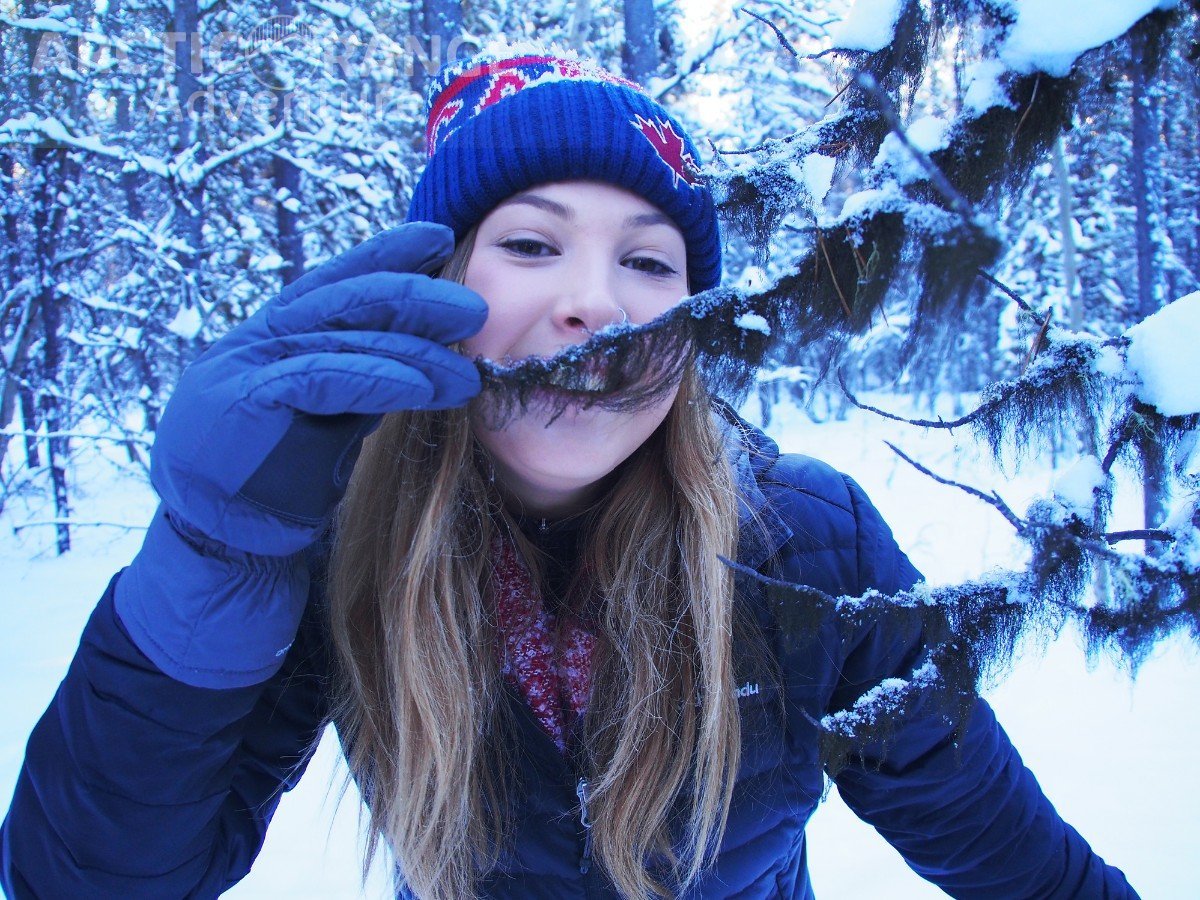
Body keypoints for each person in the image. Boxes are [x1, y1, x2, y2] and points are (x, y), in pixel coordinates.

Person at [1, 46, 1137, 900]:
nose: (594, 300)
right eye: (532, 245)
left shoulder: (807, 541)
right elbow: (89, 880)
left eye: (649, 261)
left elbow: (1011, 858)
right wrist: (213, 557)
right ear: (432, 292)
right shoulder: (339, 541)